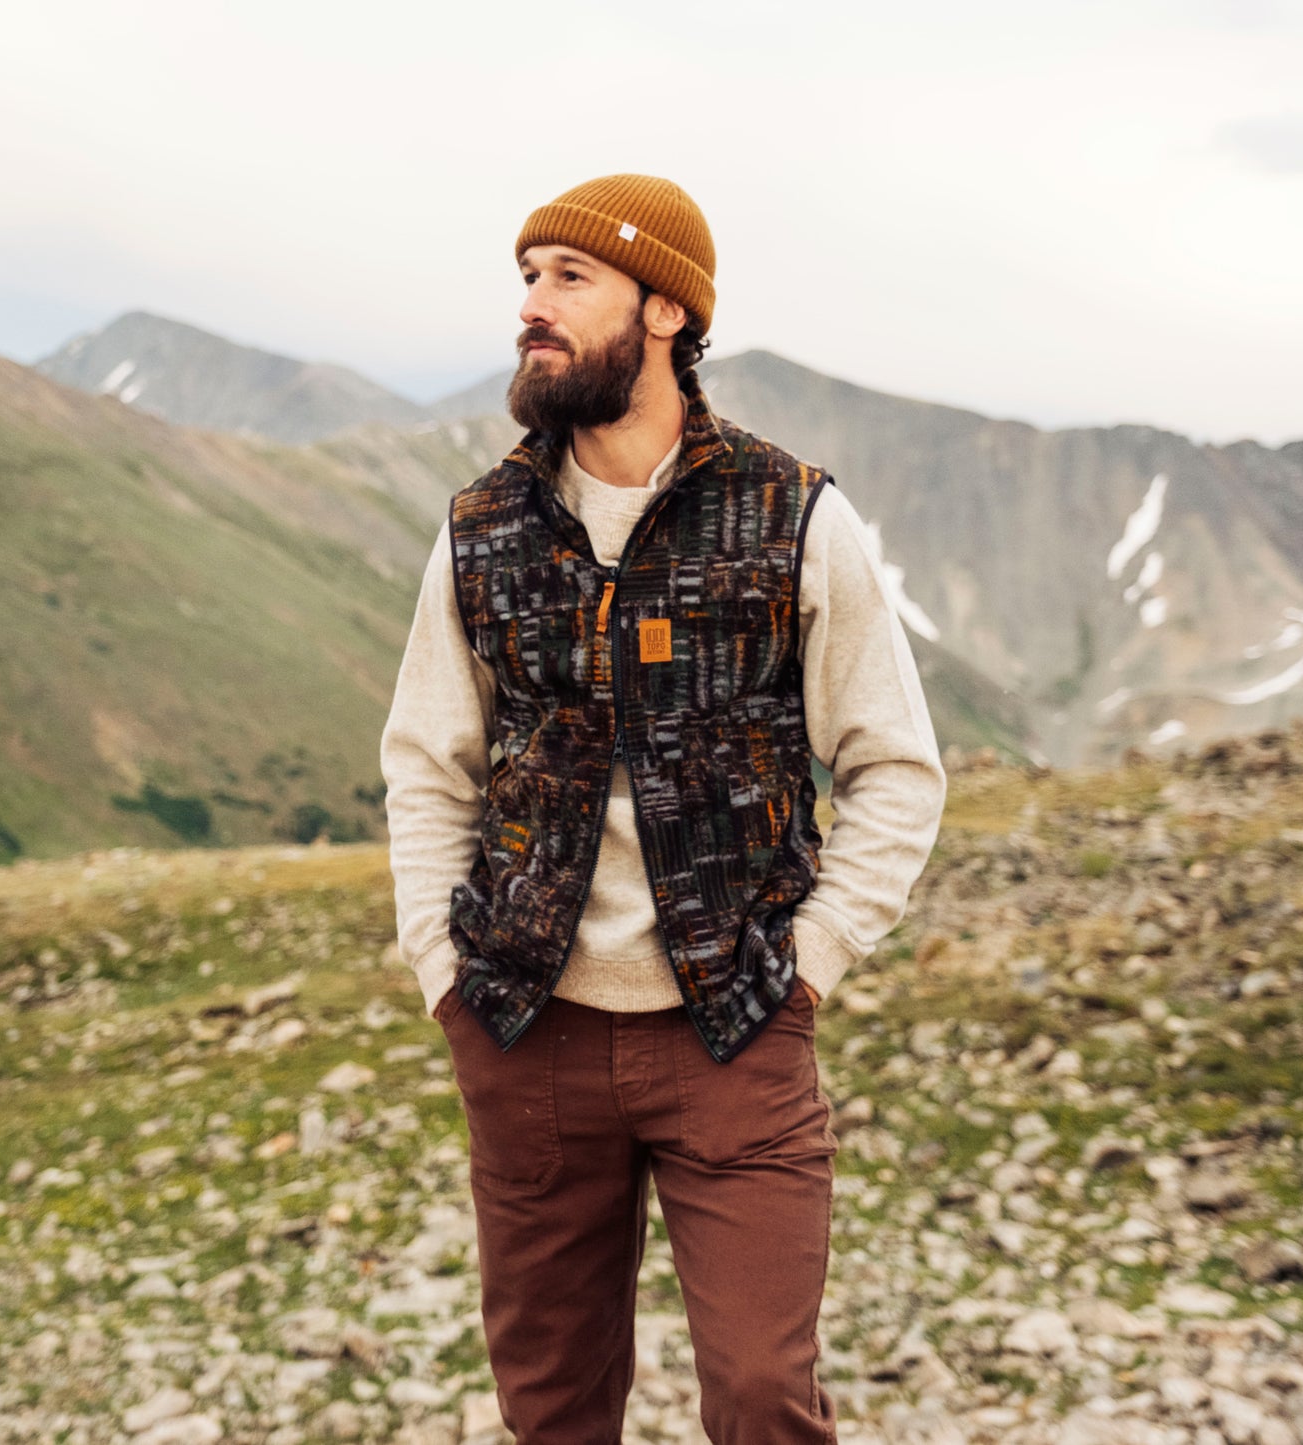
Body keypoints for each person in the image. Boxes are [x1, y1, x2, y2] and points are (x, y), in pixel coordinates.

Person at [381, 173, 946, 1444]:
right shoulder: (481, 527)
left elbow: (894, 765)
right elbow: (427, 762)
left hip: (734, 1028)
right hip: (527, 1028)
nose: (533, 305)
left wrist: (806, 965)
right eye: (525, 277)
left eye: (568, 278)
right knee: (552, 1408)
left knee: (760, 1399)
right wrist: (444, 972)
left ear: (664, 312)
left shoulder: (791, 511)